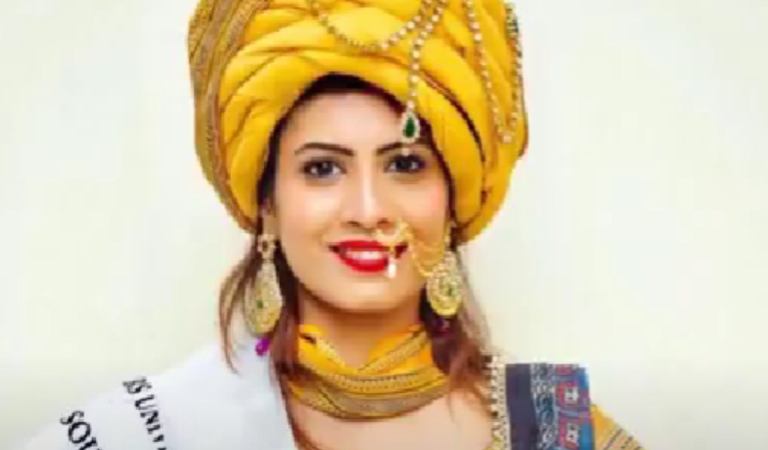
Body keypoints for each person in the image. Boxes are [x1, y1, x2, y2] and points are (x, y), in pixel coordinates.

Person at [17, 0, 642, 449]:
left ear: (451, 200)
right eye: (322, 169)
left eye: (405, 164)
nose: (368, 209)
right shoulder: (154, 428)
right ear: (267, 205)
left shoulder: (560, 430)